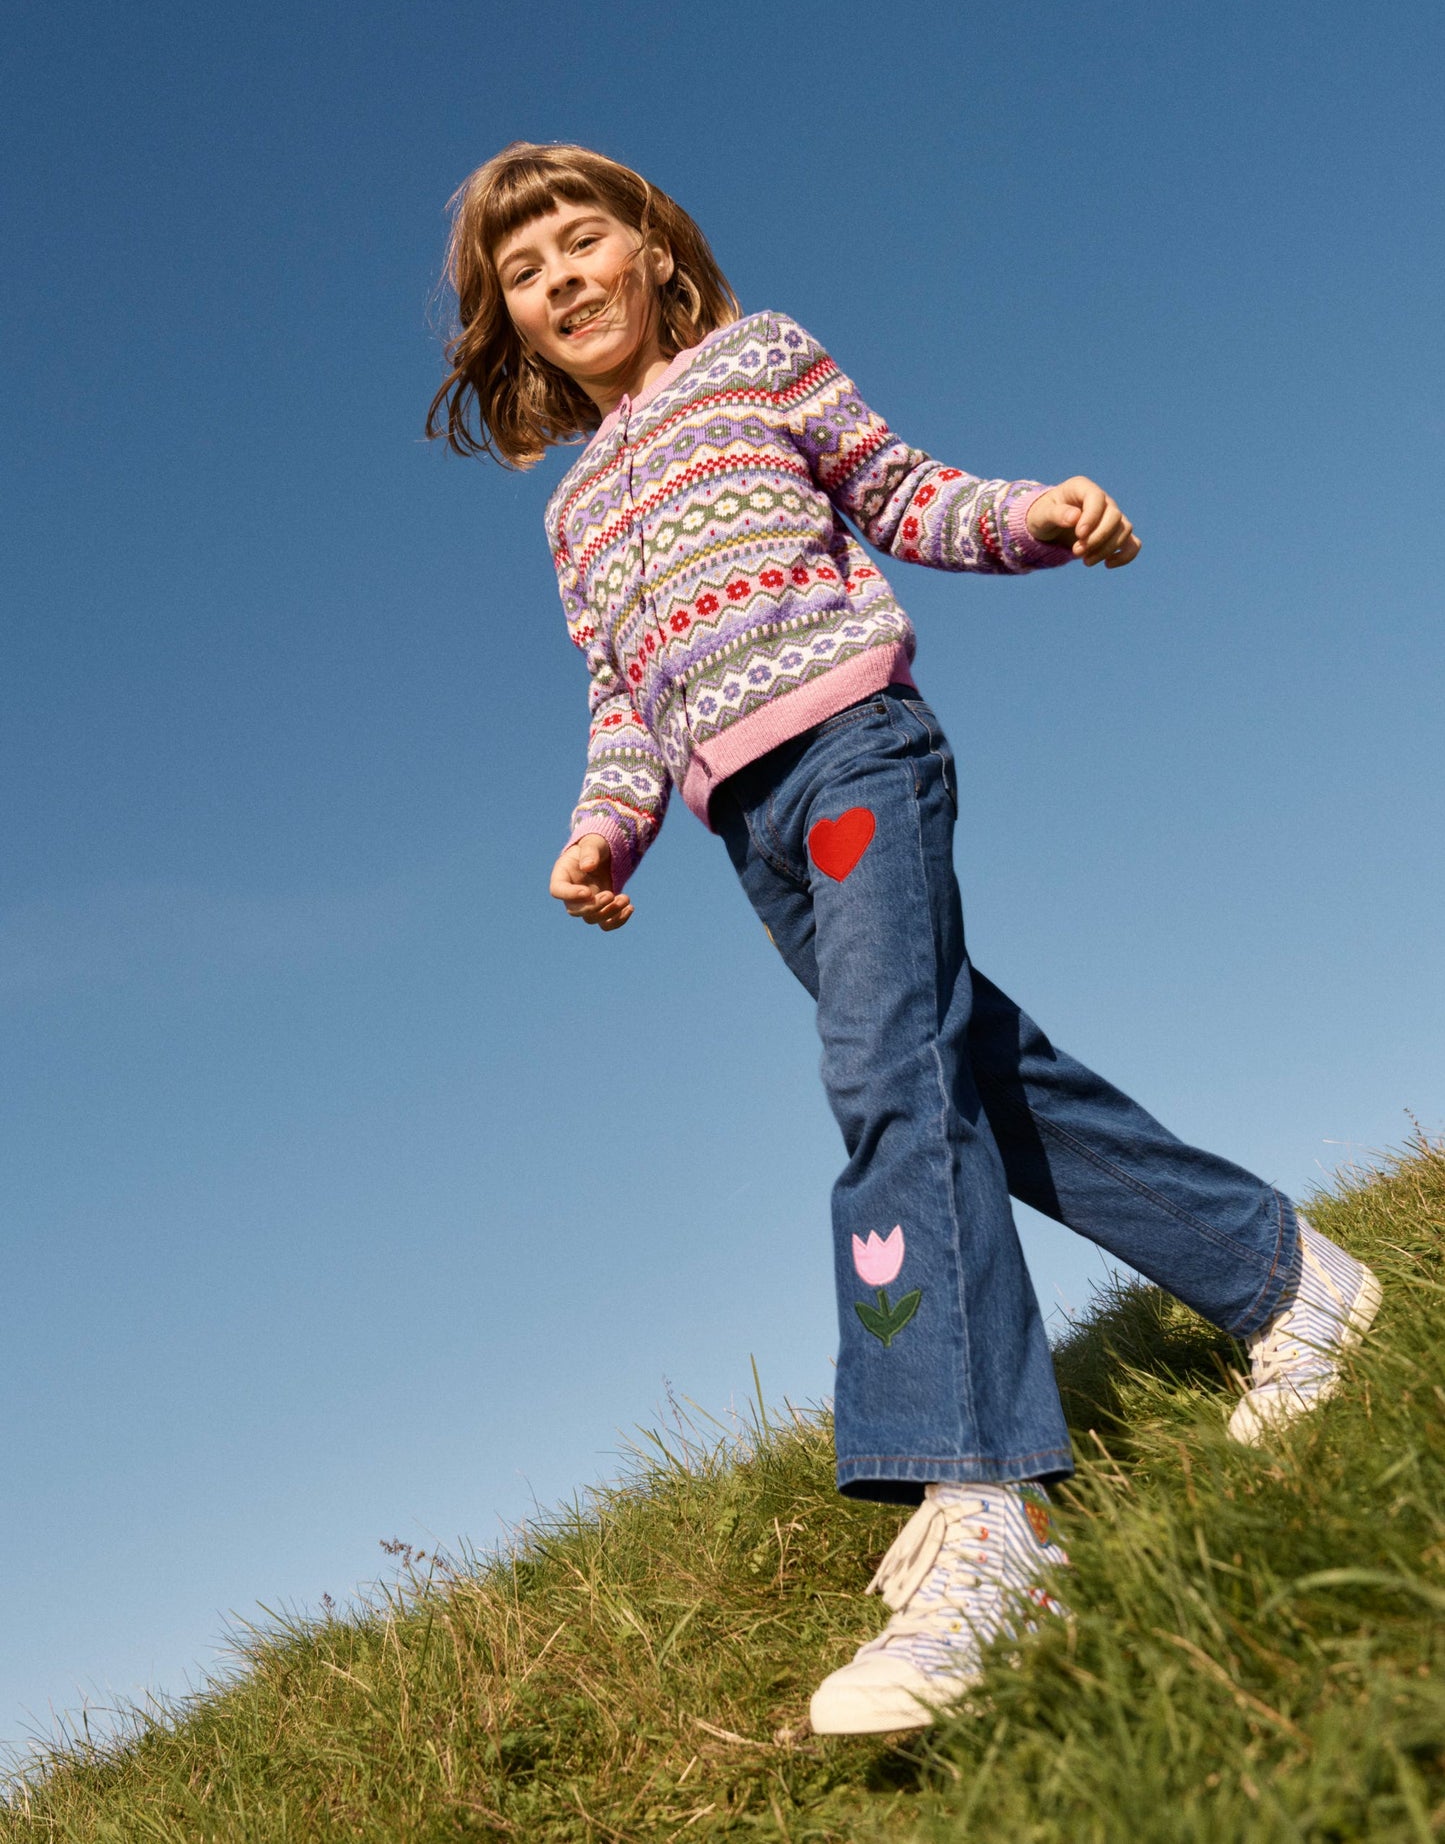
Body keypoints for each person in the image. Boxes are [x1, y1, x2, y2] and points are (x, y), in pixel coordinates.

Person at [426, 142, 1383, 1736]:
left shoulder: (759, 358)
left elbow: (900, 489)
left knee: (886, 1091)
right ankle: (1288, 1282)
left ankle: (977, 1502)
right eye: (525, 276)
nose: (562, 282)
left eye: (582, 243)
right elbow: (620, 692)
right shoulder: (574, 506)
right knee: (973, 1079)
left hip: (859, 755)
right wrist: (605, 829)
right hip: (749, 828)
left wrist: (1037, 516)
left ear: (654, 252)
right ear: (508, 324)